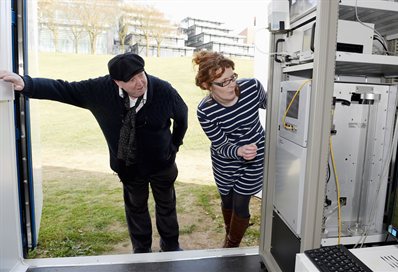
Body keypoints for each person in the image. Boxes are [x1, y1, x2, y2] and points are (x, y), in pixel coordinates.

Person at [0, 52, 188, 253]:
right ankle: (141, 251)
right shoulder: (99, 90)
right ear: (116, 82)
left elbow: (182, 117)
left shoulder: (163, 90)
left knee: (166, 205)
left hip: (162, 164)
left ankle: (170, 247)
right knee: (136, 208)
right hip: (129, 167)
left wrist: (173, 147)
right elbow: (65, 89)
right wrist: (26, 83)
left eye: (141, 75)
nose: (140, 83)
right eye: (131, 80)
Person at [192, 51, 267, 248]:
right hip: (225, 161)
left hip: (256, 156)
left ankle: (230, 247)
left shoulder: (252, 87)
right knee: (227, 200)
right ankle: (230, 232)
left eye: (232, 77)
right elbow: (220, 144)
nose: (232, 84)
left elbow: (276, 105)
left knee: (241, 203)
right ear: (207, 86)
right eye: (223, 82)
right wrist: (239, 151)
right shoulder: (205, 111)